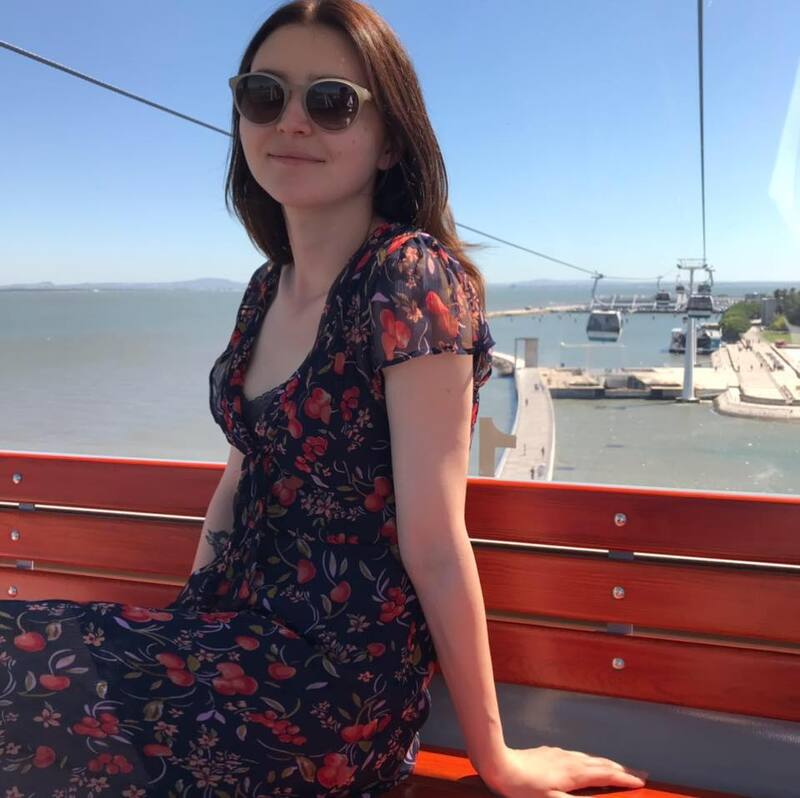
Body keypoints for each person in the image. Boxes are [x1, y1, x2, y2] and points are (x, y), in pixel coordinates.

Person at [0, 1, 646, 796]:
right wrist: (180, 632)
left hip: (327, 687)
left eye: (331, 101)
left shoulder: (409, 279)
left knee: (18, 665)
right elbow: (235, 485)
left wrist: (498, 760)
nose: (292, 121)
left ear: (390, 141)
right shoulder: (263, 290)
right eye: (264, 95)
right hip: (225, 645)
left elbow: (435, 543)